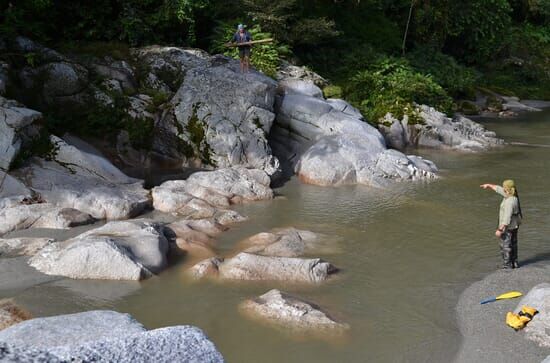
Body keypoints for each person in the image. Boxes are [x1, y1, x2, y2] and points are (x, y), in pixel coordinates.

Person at [480, 180, 523, 269]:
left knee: (505, 245)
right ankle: (514, 263)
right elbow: (498, 189)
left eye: (504, 187)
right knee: (513, 243)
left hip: (508, 226)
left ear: (507, 189)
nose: (503, 189)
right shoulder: (512, 195)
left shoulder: (509, 202)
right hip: (515, 225)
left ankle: (507, 265)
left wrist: (500, 230)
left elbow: (507, 218)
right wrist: (488, 185)